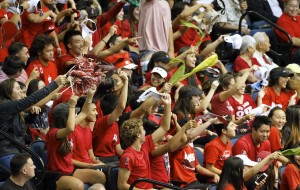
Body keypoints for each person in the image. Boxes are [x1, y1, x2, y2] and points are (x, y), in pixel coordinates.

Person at [47, 96, 106, 190]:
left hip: (70, 171)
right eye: (74, 115)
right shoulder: (54, 133)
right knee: (78, 185)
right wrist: (71, 106)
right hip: (56, 175)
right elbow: (70, 128)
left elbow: (84, 112)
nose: (76, 116)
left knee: (100, 176)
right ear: (66, 118)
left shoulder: (70, 129)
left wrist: (89, 96)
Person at [0, 75, 65, 159]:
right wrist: (54, 83)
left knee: (41, 149)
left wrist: (33, 113)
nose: (21, 91)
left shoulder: (12, 107)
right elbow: (31, 99)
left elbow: (26, 121)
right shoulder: (6, 105)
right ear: (8, 91)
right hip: (7, 152)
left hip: (18, 150)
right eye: (17, 88)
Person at [117, 94, 171, 189]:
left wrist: (167, 105)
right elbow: (121, 185)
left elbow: (164, 127)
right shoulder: (128, 157)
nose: (145, 132)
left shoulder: (145, 145)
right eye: (143, 130)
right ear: (138, 134)